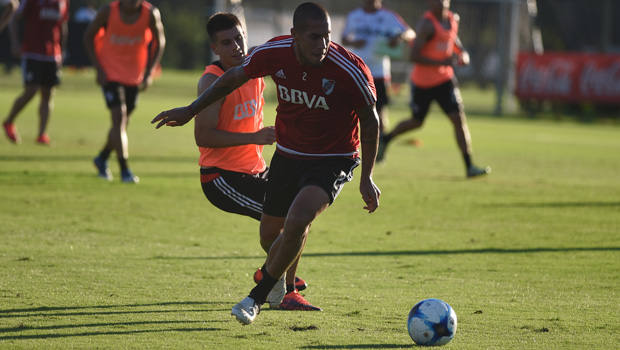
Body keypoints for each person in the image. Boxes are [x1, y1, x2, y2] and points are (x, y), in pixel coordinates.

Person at [152, 2, 381, 325]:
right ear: (295, 36)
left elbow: (371, 124)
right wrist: (190, 111)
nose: (322, 45)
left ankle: (257, 297)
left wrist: (366, 177)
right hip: (287, 155)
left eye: (327, 36)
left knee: (299, 218)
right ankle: (280, 283)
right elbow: (230, 78)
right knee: (270, 233)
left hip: (332, 158)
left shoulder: (349, 69)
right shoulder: (274, 54)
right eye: (314, 37)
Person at [195, 12, 317, 310]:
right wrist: (254, 137)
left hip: (257, 170)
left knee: (300, 217)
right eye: (227, 42)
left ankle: (274, 277)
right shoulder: (212, 80)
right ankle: (282, 287)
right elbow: (204, 136)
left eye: (239, 38)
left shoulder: (254, 70)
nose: (236, 46)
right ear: (215, 48)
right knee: (291, 220)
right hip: (221, 177)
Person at [378, 0, 490, 178]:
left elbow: (454, 41)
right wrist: (440, 62)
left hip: (445, 80)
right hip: (422, 83)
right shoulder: (426, 24)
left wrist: (463, 55)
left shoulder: (453, 19)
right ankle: (386, 138)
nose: (442, 1)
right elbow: (414, 55)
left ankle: (469, 167)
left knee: (458, 119)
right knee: (417, 122)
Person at [83, 0, 165, 183]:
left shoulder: (150, 13)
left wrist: (149, 71)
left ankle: (102, 158)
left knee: (121, 124)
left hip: (134, 76)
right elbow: (88, 36)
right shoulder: (107, 12)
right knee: (119, 118)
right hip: (110, 74)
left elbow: (160, 41)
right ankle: (125, 169)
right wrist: (99, 69)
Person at [342, 0, 414, 136]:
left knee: (379, 111)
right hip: (357, 71)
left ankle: (380, 144)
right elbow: (344, 38)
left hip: (379, 71)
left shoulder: (388, 16)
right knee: (350, 110)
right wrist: (353, 42)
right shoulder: (354, 15)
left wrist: (400, 37)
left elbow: (411, 33)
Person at [2, 0, 69, 145]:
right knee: (31, 90)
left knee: (48, 93)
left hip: (52, 54)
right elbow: (15, 19)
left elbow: (62, 25)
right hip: (32, 52)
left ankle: (42, 134)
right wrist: (15, 43)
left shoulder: (62, 2)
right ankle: (9, 121)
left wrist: (62, 51)